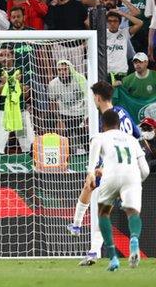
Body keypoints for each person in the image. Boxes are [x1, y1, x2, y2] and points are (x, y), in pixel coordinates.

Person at [68, 81, 141, 267]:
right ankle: (80, 232)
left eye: (93, 96)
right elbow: (137, 133)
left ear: (97, 98)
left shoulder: (109, 120)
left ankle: (81, 232)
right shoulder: (121, 112)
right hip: (128, 163)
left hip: (116, 166)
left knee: (101, 205)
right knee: (92, 189)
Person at [88, 109, 150, 271]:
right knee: (133, 213)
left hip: (111, 176)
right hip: (132, 177)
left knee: (103, 213)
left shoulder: (100, 137)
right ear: (119, 124)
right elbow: (145, 171)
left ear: (103, 124)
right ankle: (134, 239)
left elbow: (92, 165)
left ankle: (113, 257)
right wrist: (136, 182)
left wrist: (93, 175)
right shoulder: (132, 139)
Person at [0, 44, 34, 154]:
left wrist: (14, 82)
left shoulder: (22, 68)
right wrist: (3, 85)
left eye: (7, 55)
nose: (4, 58)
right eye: (1, 55)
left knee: (28, 142)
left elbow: (26, 93)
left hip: (20, 109)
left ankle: (30, 164)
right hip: (2, 108)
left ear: (13, 56)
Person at [47, 60, 88, 153]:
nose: (62, 72)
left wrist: (87, 118)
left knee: (86, 141)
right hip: (64, 115)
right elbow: (52, 103)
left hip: (81, 114)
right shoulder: (53, 84)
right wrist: (59, 121)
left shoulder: (80, 79)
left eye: (65, 69)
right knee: (65, 146)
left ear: (70, 69)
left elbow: (88, 99)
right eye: (59, 70)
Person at [106, 10, 143, 85]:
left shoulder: (124, 33)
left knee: (121, 96)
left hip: (121, 73)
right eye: (109, 21)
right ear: (106, 22)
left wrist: (122, 13)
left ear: (119, 23)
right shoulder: (101, 33)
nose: (112, 23)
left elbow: (140, 23)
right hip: (106, 73)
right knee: (107, 96)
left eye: (115, 21)